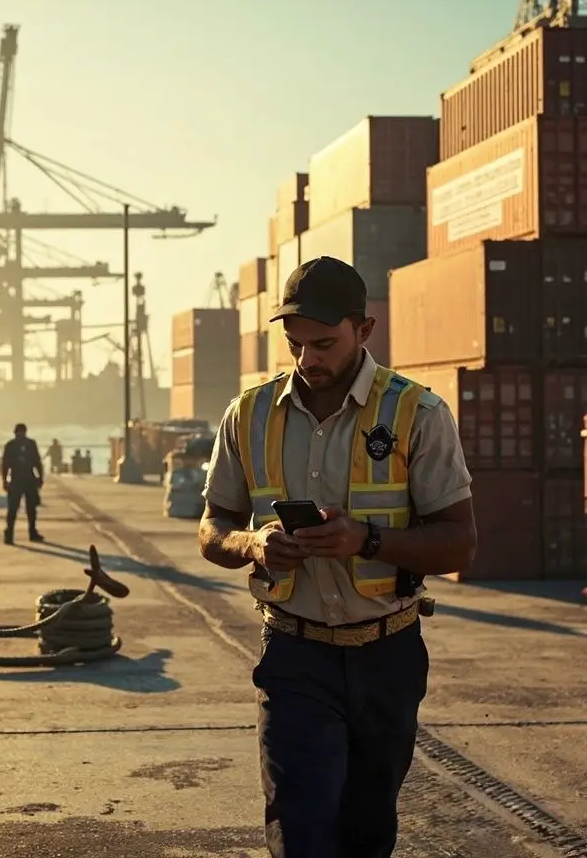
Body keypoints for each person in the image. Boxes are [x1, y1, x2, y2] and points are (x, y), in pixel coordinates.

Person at [197, 256, 477, 858]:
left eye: (323, 344)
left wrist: (367, 540)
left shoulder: (418, 415)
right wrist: (252, 543)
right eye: (295, 344)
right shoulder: (247, 415)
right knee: (300, 831)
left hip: (388, 657)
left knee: (367, 831)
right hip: (294, 654)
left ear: (365, 330)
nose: (307, 360)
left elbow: (459, 540)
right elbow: (212, 527)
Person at [1, 423, 45, 544]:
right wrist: (40, 477)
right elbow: (5, 465)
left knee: (27, 508)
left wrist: (40, 477)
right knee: (15, 508)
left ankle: (26, 532)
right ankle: (13, 533)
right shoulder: (28, 444)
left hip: (22, 479)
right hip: (22, 479)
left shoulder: (13, 445)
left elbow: (37, 461)